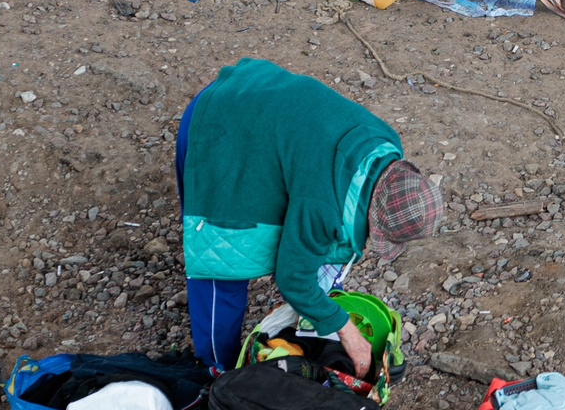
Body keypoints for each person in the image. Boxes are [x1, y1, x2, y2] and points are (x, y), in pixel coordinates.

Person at [173, 57, 441, 377]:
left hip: (256, 91)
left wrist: (323, 314)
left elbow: (328, 244)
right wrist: (346, 330)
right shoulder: (323, 202)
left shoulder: (385, 143)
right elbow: (294, 278)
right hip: (215, 126)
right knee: (223, 256)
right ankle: (215, 370)